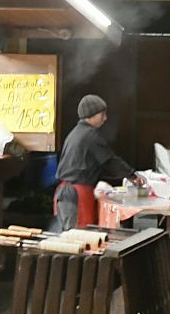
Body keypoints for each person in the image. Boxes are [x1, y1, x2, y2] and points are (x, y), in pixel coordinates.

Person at [53, 94, 143, 233]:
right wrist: (132, 175)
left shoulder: (75, 133)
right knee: (78, 236)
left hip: (64, 194)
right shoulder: (90, 136)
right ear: (91, 115)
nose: (105, 118)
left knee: (69, 234)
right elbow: (110, 162)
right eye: (102, 114)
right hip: (76, 194)